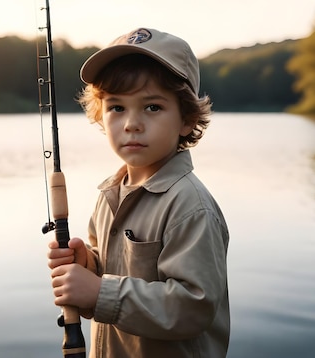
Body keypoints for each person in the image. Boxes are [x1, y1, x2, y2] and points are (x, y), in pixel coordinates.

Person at [47, 27, 230, 358]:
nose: (132, 123)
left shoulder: (190, 205)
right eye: (117, 107)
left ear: (187, 119)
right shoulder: (109, 195)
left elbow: (193, 308)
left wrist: (99, 292)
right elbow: (114, 270)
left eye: (152, 107)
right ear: (100, 115)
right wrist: (88, 265)